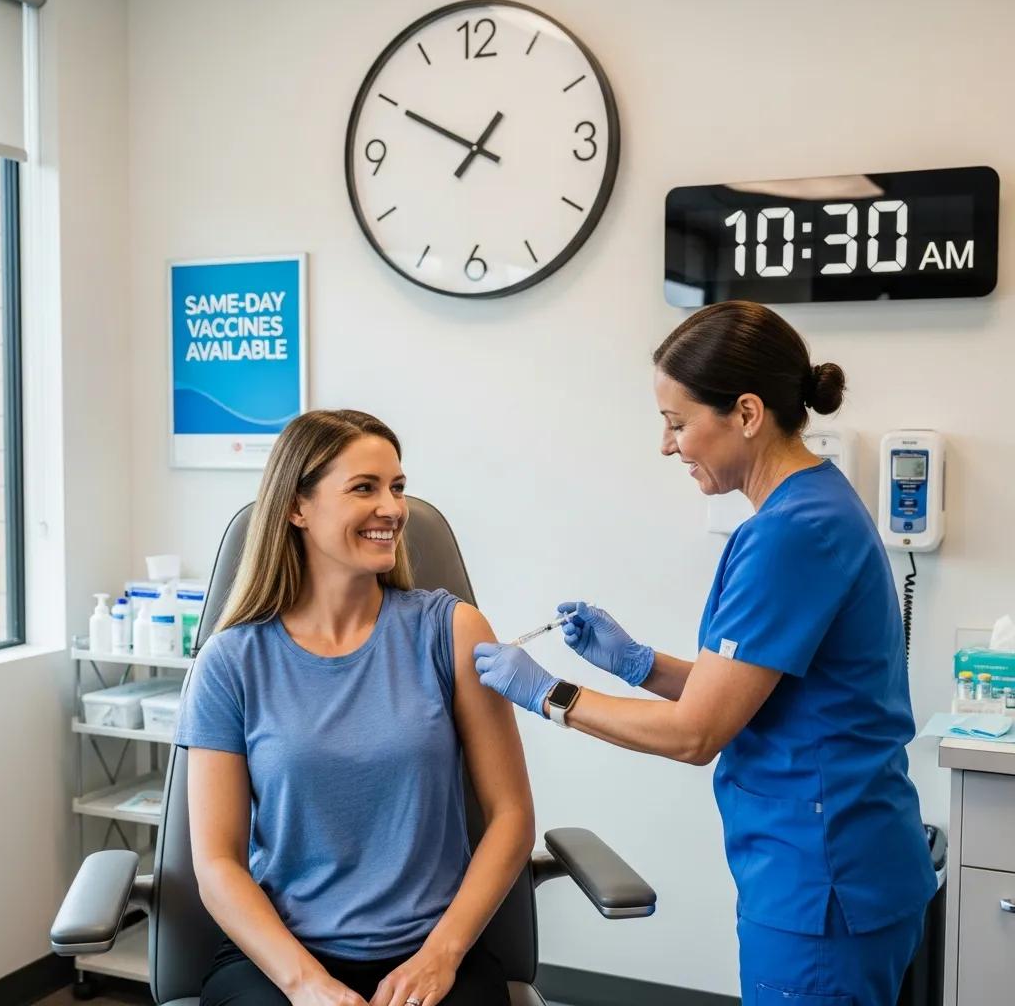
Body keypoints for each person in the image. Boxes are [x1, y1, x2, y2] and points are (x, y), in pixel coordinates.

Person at [474, 301, 937, 1005]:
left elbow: (697, 733)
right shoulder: (813, 506)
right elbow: (757, 691)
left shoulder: (790, 534)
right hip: (839, 862)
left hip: (822, 881)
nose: (668, 445)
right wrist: (637, 664)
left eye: (678, 422)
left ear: (746, 414)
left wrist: (550, 696)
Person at [175, 409, 533, 1006]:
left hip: (431, 949)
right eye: (364, 488)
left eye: (398, 487)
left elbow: (512, 816)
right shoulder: (231, 661)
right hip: (281, 956)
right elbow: (216, 860)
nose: (392, 509)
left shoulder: (453, 631)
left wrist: (441, 956)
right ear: (297, 508)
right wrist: (306, 984)